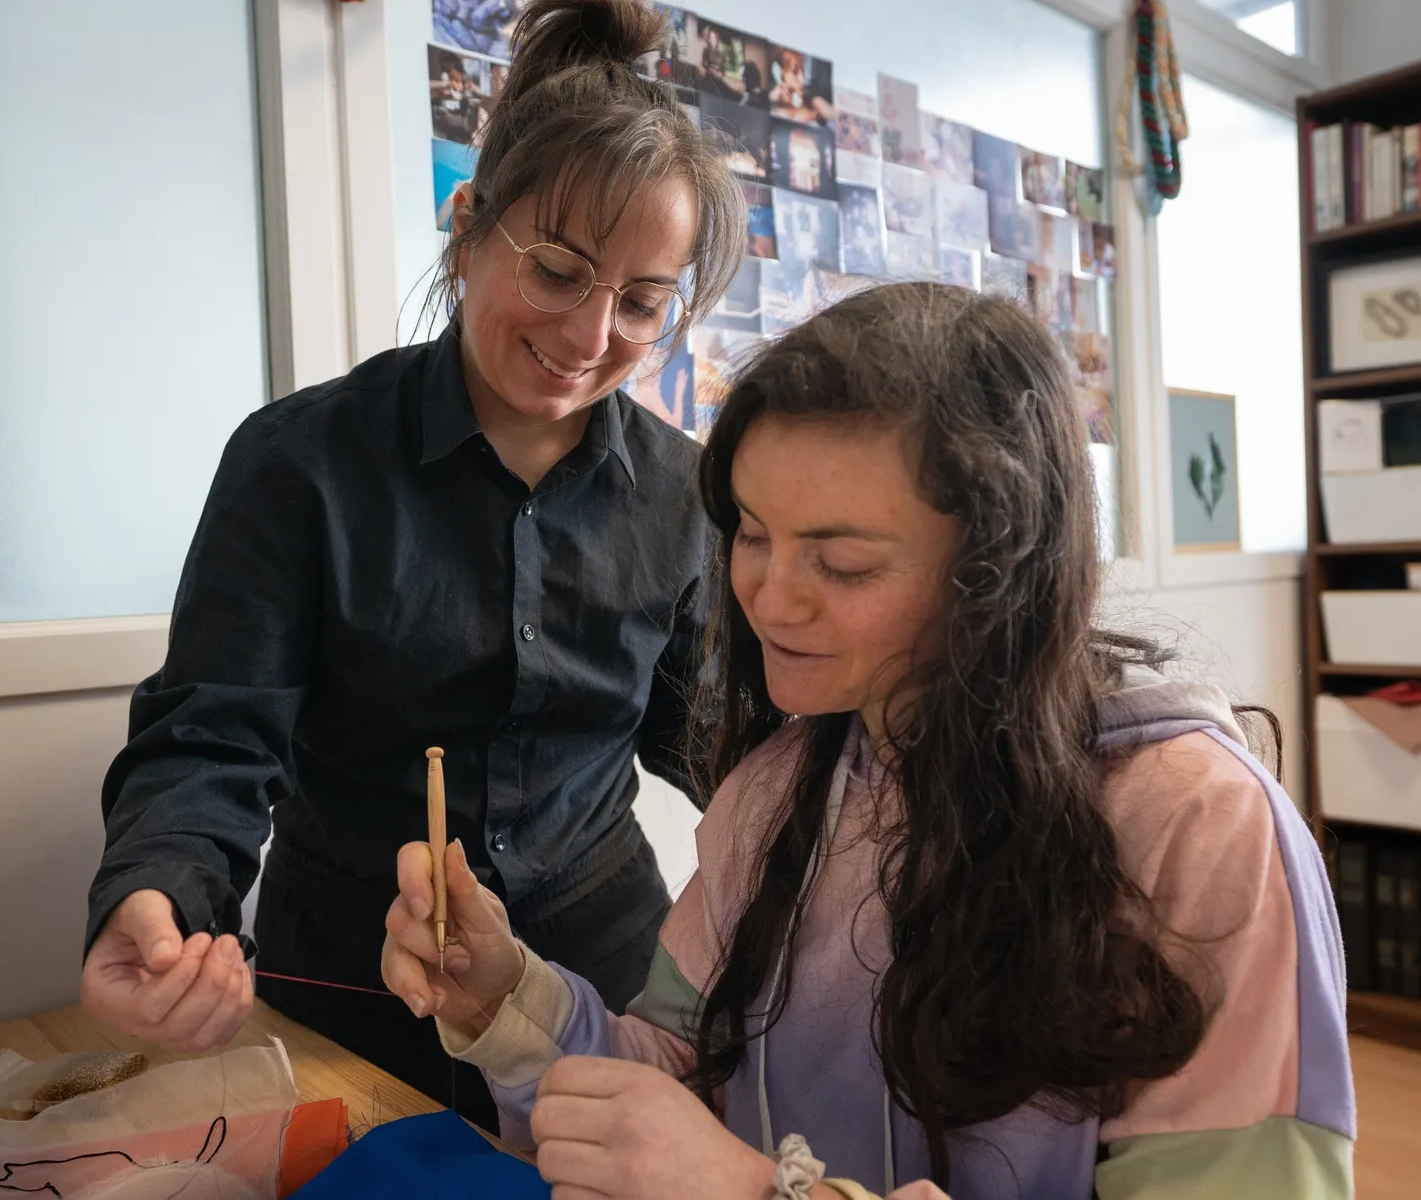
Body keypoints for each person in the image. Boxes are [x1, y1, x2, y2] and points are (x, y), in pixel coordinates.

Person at [381, 282, 1355, 1198]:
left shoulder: (1195, 828)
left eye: (841, 563)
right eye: (753, 535)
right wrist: (507, 1001)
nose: (767, 595)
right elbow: (671, 1087)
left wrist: (759, 1189)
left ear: (997, 568)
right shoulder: (775, 795)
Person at [78, 0, 744, 1129]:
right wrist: (159, 895)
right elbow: (211, 732)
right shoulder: (302, 461)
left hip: (599, 971)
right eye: (557, 270)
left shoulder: (686, 496)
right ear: (467, 225)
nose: (590, 339)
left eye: (640, 303)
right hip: (346, 966)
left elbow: (723, 744)